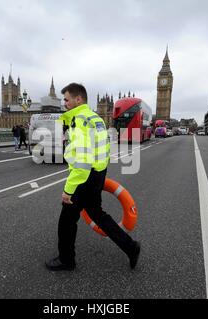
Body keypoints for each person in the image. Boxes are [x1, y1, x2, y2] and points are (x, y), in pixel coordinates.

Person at [45, 83, 140, 271]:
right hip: (97, 174)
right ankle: (130, 247)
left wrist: (68, 190)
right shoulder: (96, 118)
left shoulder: (79, 120)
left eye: (66, 99)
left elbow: (82, 162)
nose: (63, 103)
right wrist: (99, 174)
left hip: (84, 178)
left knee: (66, 220)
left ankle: (66, 260)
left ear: (78, 99)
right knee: (97, 214)